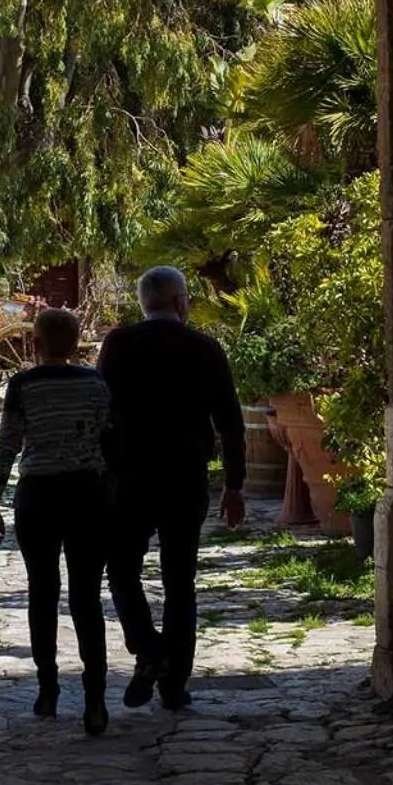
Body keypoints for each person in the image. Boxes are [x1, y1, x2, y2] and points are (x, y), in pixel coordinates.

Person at [98, 265, 247, 711]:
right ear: (182, 301)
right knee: (180, 581)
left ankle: (148, 649)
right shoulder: (203, 348)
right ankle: (173, 683)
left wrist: (103, 468)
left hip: (131, 475)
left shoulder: (119, 344)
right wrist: (235, 485)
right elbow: (231, 422)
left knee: (122, 570)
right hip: (185, 477)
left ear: (143, 303)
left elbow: (102, 408)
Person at [0, 308, 114, 736]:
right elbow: (107, 439)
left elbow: (8, 444)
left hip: (38, 495)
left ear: (35, 345)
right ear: (75, 345)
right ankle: (95, 699)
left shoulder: (23, 385)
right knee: (86, 598)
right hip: (87, 494)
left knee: (42, 593)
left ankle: (48, 689)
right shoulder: (95, 383)